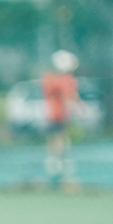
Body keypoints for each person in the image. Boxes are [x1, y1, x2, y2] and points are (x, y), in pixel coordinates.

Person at [42, 50, 81, 178]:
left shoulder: (51, 78)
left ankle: (56, 162)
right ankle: (58, 163)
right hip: (57, 114)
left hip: (54, 114)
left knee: (57, 137)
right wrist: (76, 108)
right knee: (59, 137)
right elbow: (68, 97)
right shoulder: (62, 79)